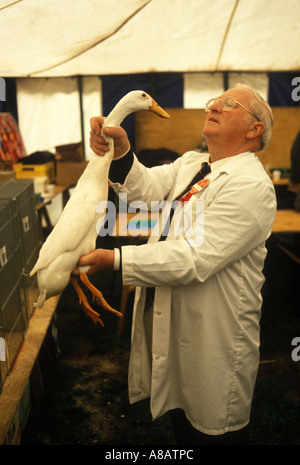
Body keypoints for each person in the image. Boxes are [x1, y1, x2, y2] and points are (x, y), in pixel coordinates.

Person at [74, 85, 276, 445]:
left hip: (214, 338)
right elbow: (147, 191)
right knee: (181, 422)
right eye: (213, 101)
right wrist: (121, 149)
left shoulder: (250, 186)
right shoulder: (193, 164)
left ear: (254, 129)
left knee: (211, 428)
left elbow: (195, 256)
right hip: (174, 322)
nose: (213, 106)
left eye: (228, 104)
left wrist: (115, 259)